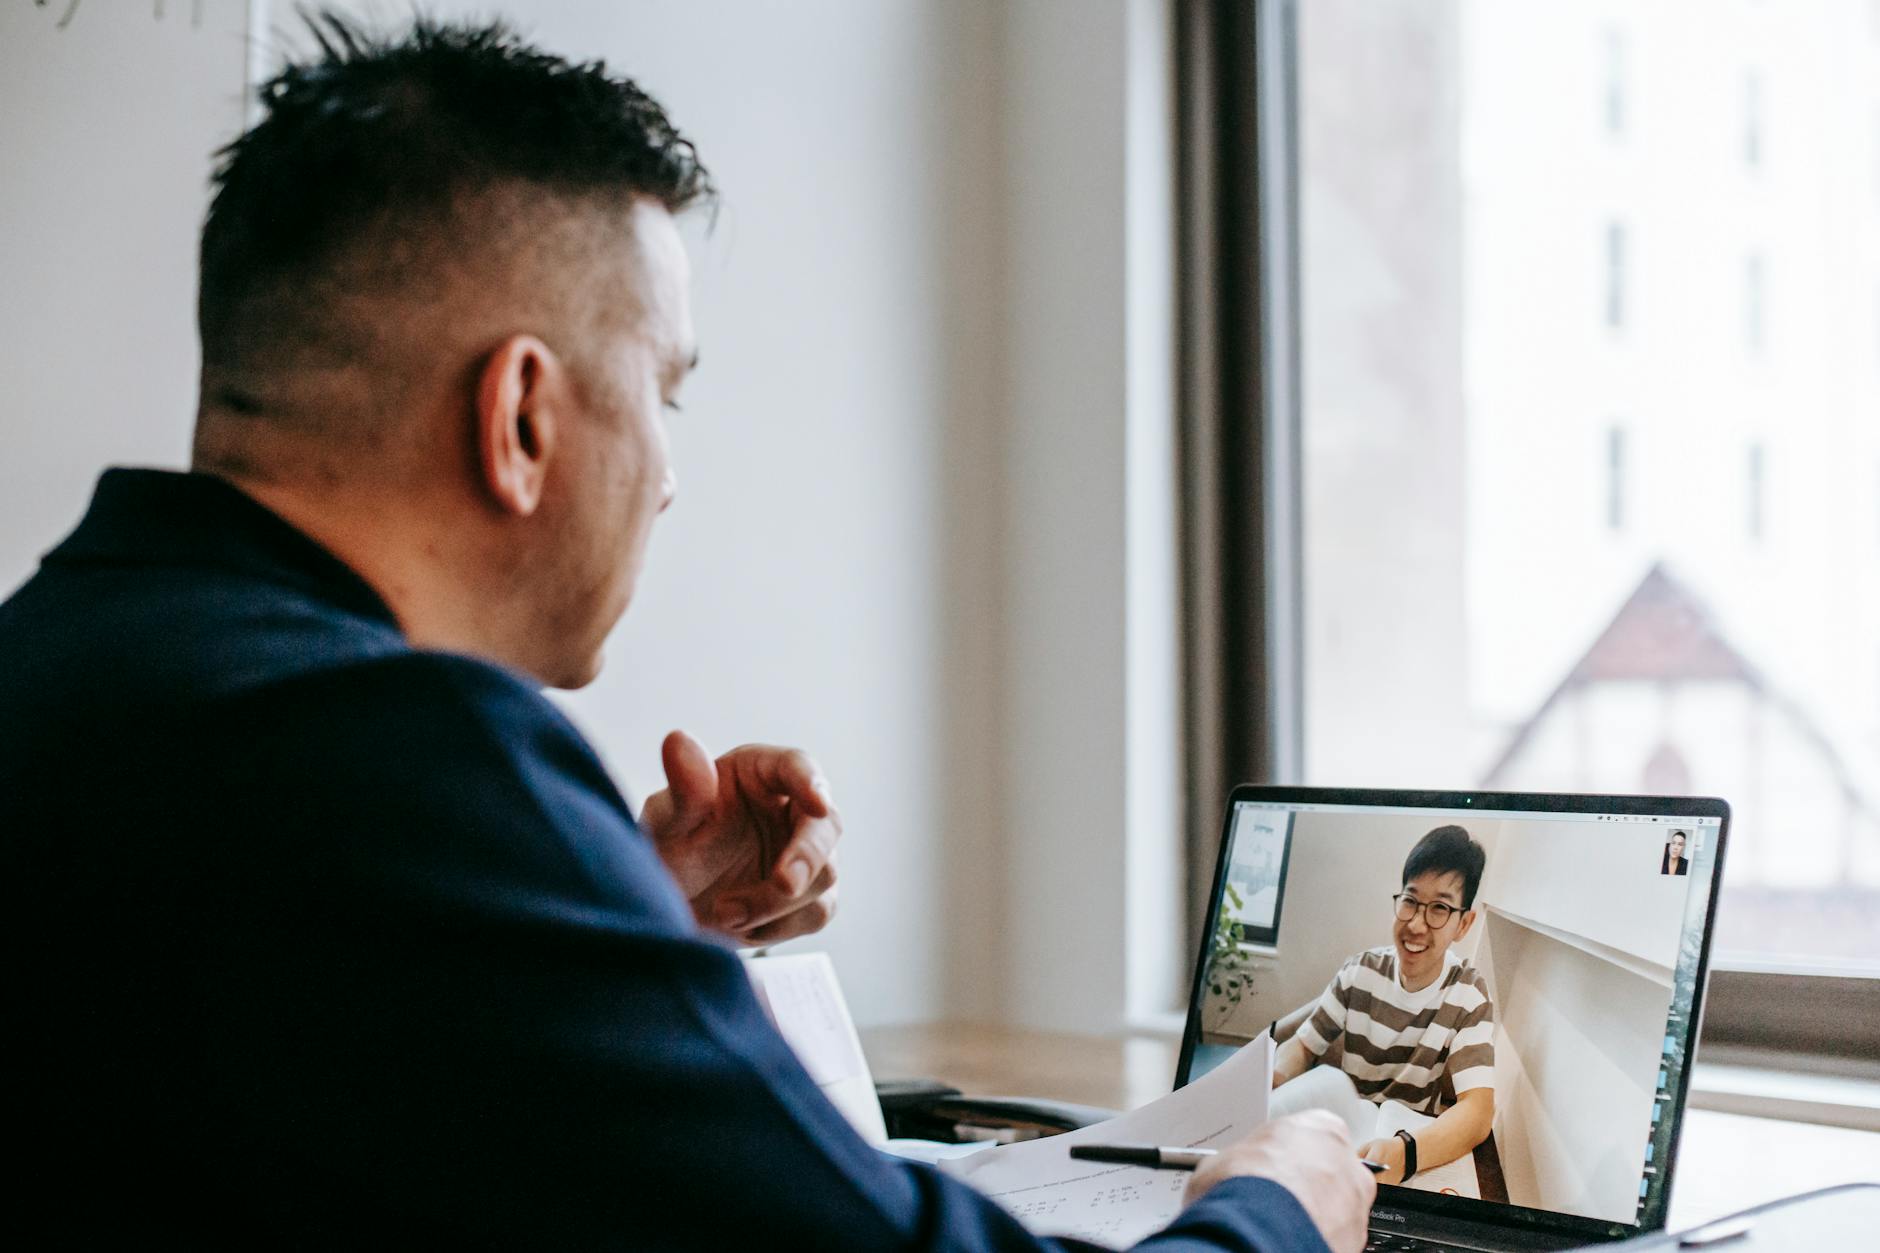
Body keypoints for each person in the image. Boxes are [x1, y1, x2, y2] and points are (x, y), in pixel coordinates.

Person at [1, 13, 1374, 1249]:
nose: (668, 471)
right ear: (522, 418)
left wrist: (609, 927)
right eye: (666, 388)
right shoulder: (405, 757)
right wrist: (1277, 1212)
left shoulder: (63, 666)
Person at [1270, 826, 1496, 1187]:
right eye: (1410, 901)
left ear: (1463, 923)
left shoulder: (1468, 992)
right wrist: (1273, 1078)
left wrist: (1404, 1153)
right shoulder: (1359, 971)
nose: (1417, 924)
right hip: (1343, 1143)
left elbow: (1478, 1110)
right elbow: (1302, 1045)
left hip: (1411, 1155)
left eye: (1439, 908)